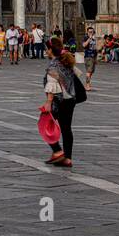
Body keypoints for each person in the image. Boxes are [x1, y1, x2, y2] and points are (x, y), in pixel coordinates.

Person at [43, 35, 80, 168]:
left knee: (46, 124)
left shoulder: (53, 65)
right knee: (66, 128)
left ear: (51, 50)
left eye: (47, 49)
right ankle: (68, 158)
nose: (46, 51)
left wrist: (48, 102)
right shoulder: (66, 61)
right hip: (71, 99)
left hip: (58, 100)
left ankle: (57, 151)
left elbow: (52, 85)